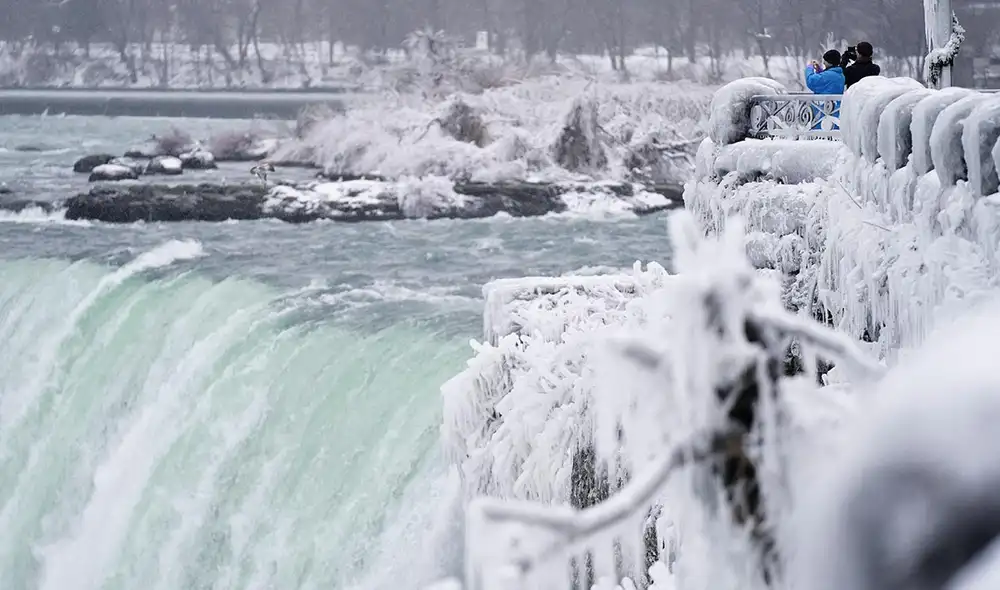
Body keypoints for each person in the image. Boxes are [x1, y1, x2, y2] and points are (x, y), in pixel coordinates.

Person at [805, 50, 845, 131]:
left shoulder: (828, 75)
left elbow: (811, 81)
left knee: (822, 132)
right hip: (834, 109)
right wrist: (819, 71)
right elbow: (826, 81)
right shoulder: (839, 75)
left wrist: (809, 68)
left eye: (825, 61)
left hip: (824, 110)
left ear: (829, 62)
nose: (823, 63)